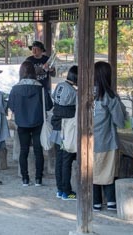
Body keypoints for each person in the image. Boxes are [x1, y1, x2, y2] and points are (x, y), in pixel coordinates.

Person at [8, 61, 52, 187]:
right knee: (38, 151)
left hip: (22, 123)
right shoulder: (40, 88)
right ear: (33, 72)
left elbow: (11, 106)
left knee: (24, 150)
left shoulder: (15, 88)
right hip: (38, 122)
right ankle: (38, 179)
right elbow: (49, 106)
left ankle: (25, 179)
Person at [92, 61, 127, 212]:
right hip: (106, 140)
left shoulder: (85, 93)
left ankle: (96, 202)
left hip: (87, 141)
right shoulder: (109, 96)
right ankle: (111, 201)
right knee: (108, 171)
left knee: (92, 171)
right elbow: (120, 121)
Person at [50, 65, 78, 200]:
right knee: (67, 161)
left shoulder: (60, 85)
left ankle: (60, 190)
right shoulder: (73, 92)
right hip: (67, 131)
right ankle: (67, 192)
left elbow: (54, 99)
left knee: (59, 160)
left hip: (56, 128)